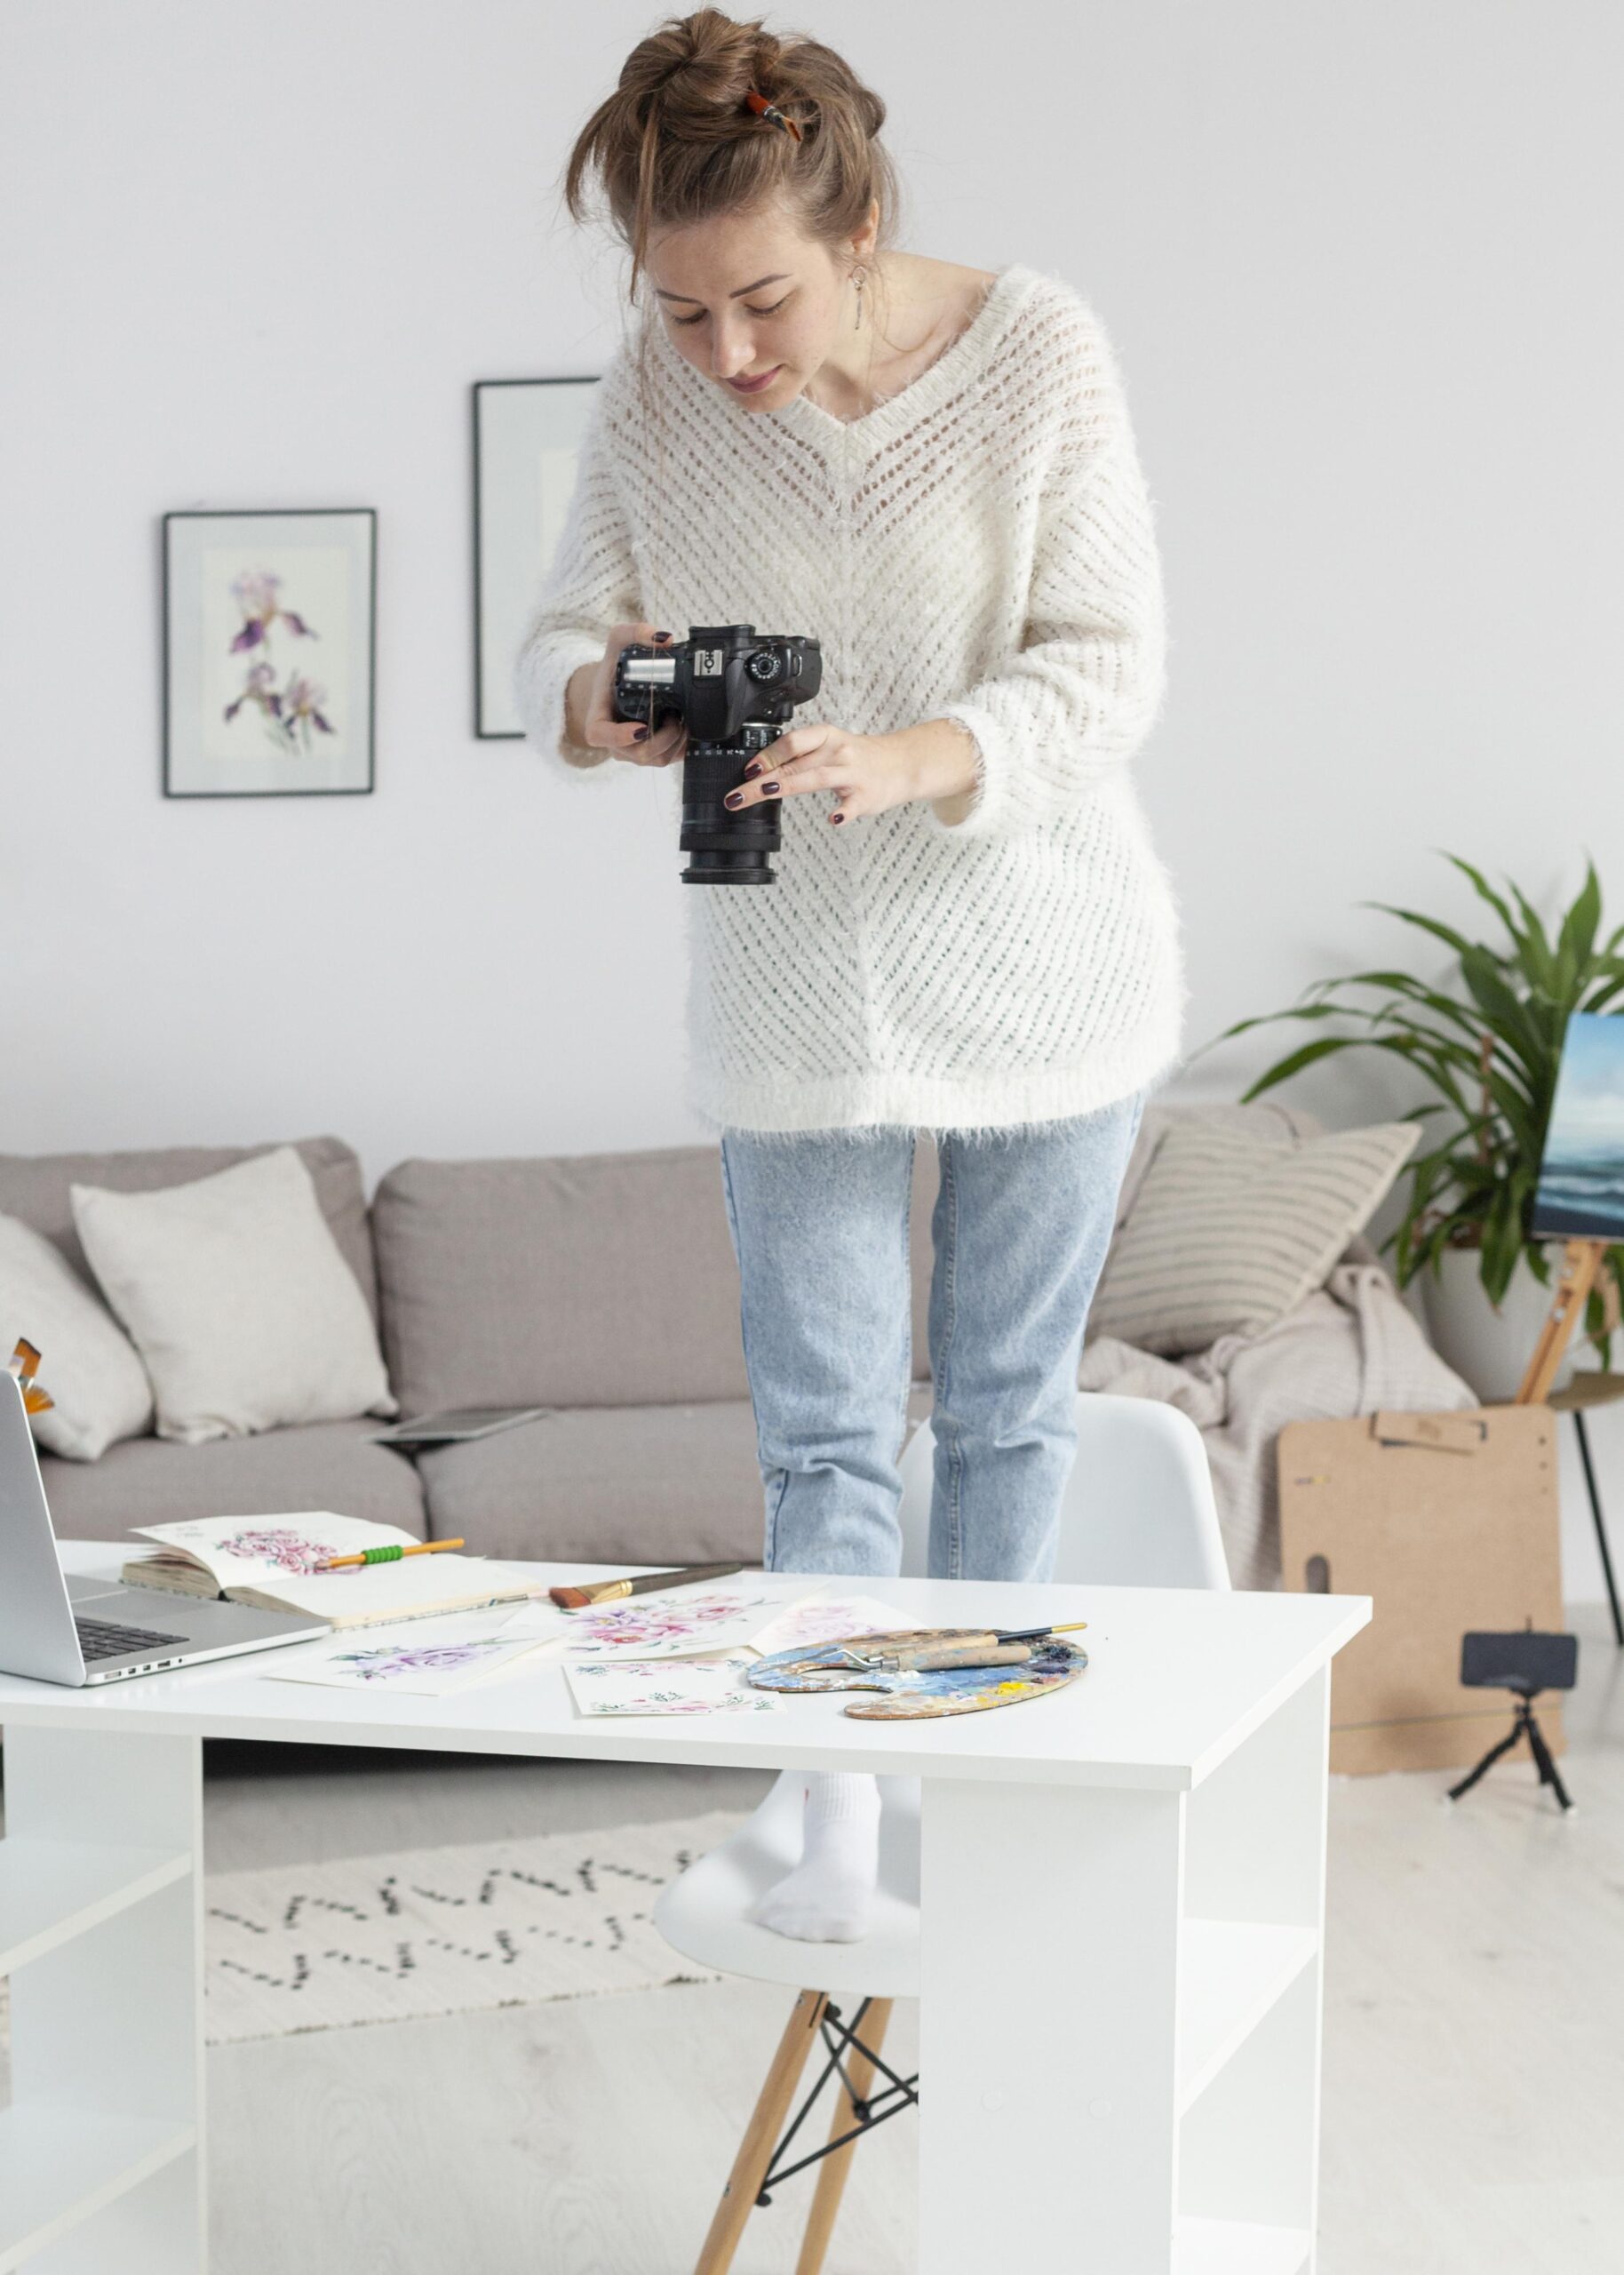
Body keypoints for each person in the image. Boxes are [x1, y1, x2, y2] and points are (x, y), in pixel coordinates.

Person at [516, 8, 1182, 1942]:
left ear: (858, 213)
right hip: (788, 991)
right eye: (680, 310)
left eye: (762, 302)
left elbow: (1107, 661)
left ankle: (973, 1800)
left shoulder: (1038, 352)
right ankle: (831, 1823)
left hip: (1045, 965)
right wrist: (596, 696)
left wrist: (906, 759)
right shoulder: (651, 393)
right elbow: (562, 624)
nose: (723, 356)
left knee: (997, 1406)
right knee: (817, 1432)